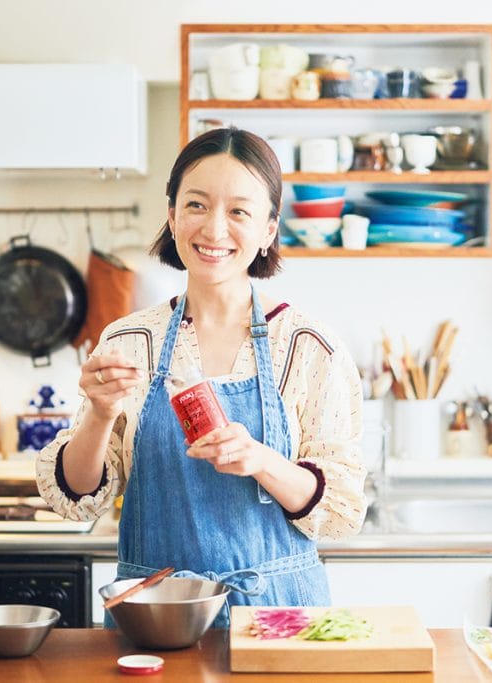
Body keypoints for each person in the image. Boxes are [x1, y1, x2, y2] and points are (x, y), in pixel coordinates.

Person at [37, 127, 366, 627]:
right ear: (171, 216)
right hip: (155, 616)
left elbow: (342, 510)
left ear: (269, 230)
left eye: (239, 211)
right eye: (196, 205)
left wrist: (260, 460)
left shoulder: (307, 348)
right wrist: (101, 415)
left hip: (277, 619)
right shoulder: (129, 342)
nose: (214, 230)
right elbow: (78, 498)